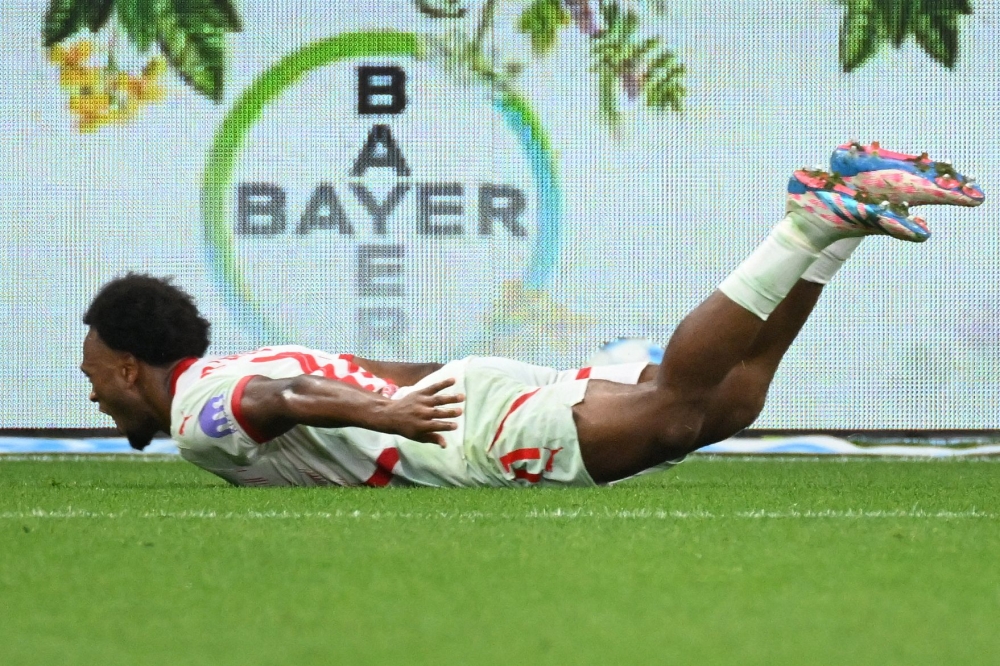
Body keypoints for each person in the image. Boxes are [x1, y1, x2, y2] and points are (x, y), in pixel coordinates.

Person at [80, 142, 984, 487]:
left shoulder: (199, 415)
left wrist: (389, 415)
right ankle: (841, 222)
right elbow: (331, 377)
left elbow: (287, 396)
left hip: (467, 437)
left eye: (93, 376)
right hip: (468, 402)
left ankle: (806, 220)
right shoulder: (239, 359)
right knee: (731, 404)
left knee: (677, 403)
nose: (93, 396)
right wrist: (434, 391)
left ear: (130, 367)